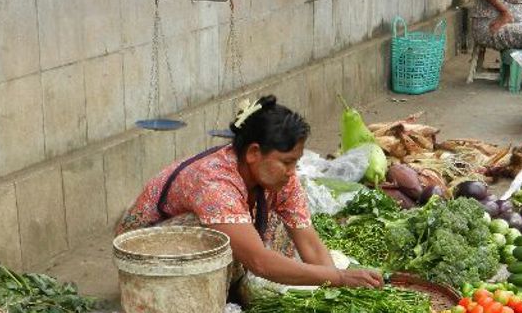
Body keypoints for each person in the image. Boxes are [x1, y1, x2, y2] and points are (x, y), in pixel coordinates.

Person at [116, 96, 383, 292]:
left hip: (214, 230)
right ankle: (193, 296)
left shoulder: (282, 179)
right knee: (216, 237)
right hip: (148, 253)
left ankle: (233, 287)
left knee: (279, 226)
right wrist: (339, 277)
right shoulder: (213, 183)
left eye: (295, 162)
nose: (292, 172)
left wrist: (337, 286)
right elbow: (259, 261)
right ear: (254, 153)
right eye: (286, 162)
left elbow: (309, 243)